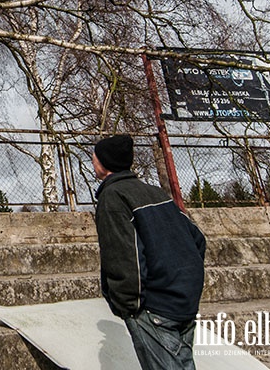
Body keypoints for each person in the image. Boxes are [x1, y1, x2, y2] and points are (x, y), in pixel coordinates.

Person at [92, 134, 206, 370]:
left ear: (103, 162)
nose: (92, 160)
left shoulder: (113, 197)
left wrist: (129, 305)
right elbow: (197, 239)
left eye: (94, 156)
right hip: (183, 298)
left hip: (153, 307)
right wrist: (185, 283)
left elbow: (123, 255)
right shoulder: (155, 192)